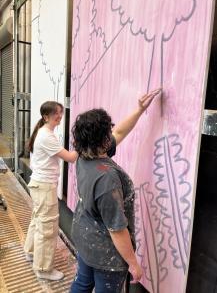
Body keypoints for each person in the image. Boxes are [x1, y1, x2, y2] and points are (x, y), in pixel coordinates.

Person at [69, 88, 161, 293]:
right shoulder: (106, 178)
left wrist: (139, 110)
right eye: (107, 133)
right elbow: (117, 230)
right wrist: (134, 263)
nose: (112, 134)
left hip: (85, 237)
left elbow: (119, 133)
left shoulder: (83, 155)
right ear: (102, 140)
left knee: (82, 284)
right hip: (106, 252)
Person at [24, 101, 78, 281]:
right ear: (46, 117)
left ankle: (31, 252)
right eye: (57, 114)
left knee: (38, 221)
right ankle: (43, 269)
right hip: (44, 187)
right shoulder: (47, 136)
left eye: (61, 113)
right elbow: (70, 158)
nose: (60, 116)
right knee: (47, 227)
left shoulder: (45, 132)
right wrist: (84, 144)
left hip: (40, 185)